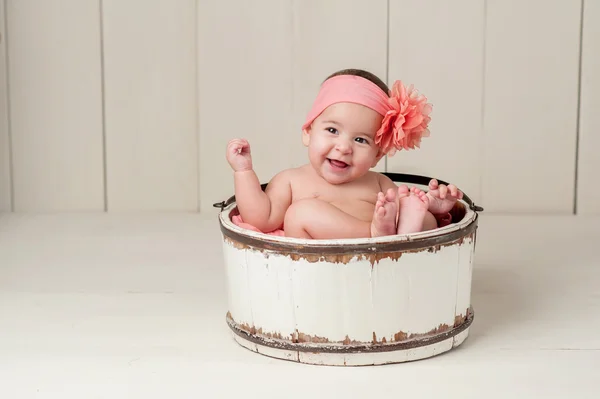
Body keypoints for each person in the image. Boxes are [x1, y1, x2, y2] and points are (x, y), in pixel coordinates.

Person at [225, 68, 463, 239]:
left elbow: (412, 223)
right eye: (332, 130)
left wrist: (432, 208)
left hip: (380, 261)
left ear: (377, 155)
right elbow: (260, 219)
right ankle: (374, 234)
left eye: (361, 139)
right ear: (308, 132)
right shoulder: (290, 180)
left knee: (417, 214)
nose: (344, 147)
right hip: (321, 267)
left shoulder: (379, 183)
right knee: (300, 213)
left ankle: (390, 231)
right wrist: (244, 171)